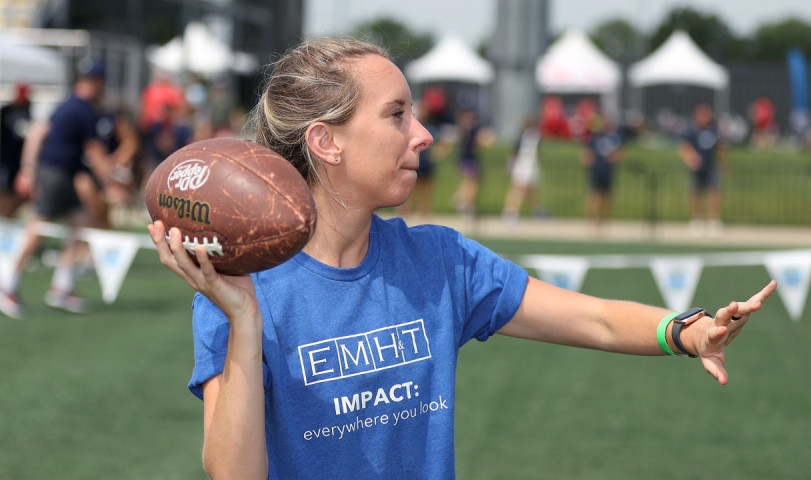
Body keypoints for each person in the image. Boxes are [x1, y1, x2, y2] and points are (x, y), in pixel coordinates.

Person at [147, 37, 776, 479]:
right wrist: (244, 320)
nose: (423, 134)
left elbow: (595, 319)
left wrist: (687, 331)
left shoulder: (439, 260)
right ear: (326, 142)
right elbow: (234, 475)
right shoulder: (239, 288)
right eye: (397, 115)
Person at [0, 60, 121, 318]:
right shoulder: (84, 110)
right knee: (39, 227)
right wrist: (112, 181)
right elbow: (95, 151)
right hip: (56, 174)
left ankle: (61, 286)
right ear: (97, 83)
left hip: (61, 174)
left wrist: (28, 169)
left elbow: (38, 135)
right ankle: (8, 285)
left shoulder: (66, 105)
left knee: (79, 224)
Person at [679, 103, 726, 237]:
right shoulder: (692, 131)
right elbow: (684, 148)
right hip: (697, 167)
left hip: (711, 166)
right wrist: (690, 158)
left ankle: (713, 221)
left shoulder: (713, 130)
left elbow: (720, 148)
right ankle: (696, 220)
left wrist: (724, 163)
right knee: (696, 193)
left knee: (715, 192)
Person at [581, 114, 622, 235]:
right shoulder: (594, 138)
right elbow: (586, 155)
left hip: (608, 172)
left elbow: (620, 154)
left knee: (608, 199)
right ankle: (593, 222)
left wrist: (613, 157)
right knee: (595, 198)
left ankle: (604, 222)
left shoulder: (614, 138)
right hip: (596, 171)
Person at [502, 115, 543, 223]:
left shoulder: (530, 135)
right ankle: (511, 212)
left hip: (528, 165)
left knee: (530, 191)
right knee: (520, 190)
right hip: (523, 165)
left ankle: (536, 211)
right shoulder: (525, 135)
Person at [0, 83, 32, 217]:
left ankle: (7, 216)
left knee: (19, 192)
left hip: (19, 160)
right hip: (5, 159)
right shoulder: (6, 111)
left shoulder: (27, 110)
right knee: (4, 191)